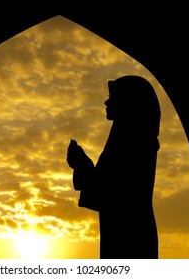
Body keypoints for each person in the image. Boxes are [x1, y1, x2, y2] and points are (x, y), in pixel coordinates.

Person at [67, 75, 161, 259]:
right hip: (123, 232)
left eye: (114, 97)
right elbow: (107, 190)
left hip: (130, 235)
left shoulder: (136, 143)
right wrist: (83, 166)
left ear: (129, 102)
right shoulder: (127, 140)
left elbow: (114, 193)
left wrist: (83, 165)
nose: (106, 102)